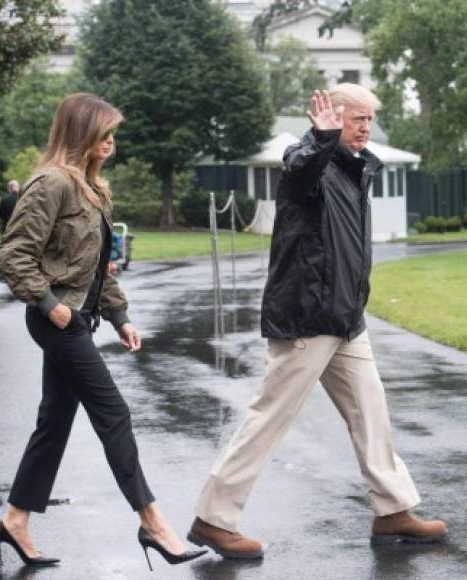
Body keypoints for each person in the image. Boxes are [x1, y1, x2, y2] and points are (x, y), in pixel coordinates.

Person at [188, 85, 447, 559]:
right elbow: (300, 170)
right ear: (332, 118)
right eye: (356, 119)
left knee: (372, 413)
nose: (365, 127)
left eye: (369, 120)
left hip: (347, 319)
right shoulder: (308, 161)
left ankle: (392, 509)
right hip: (307, 318)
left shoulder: (355, 170)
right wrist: (321, 138)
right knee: (269, 418)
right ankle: (213, 519)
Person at [0, 93, 206, 569]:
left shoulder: (94, 188)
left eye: (113, 134)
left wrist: (120, 316)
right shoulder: (51, 184)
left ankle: (15, 519)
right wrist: (51, 307)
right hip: (58, 322)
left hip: (78, 320)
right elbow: (14, 254)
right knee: (114, 413)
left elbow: (97, 268)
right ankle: (153, 523)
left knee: (53, 424)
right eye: (103, 133)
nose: (111, 142)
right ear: (81, 134)